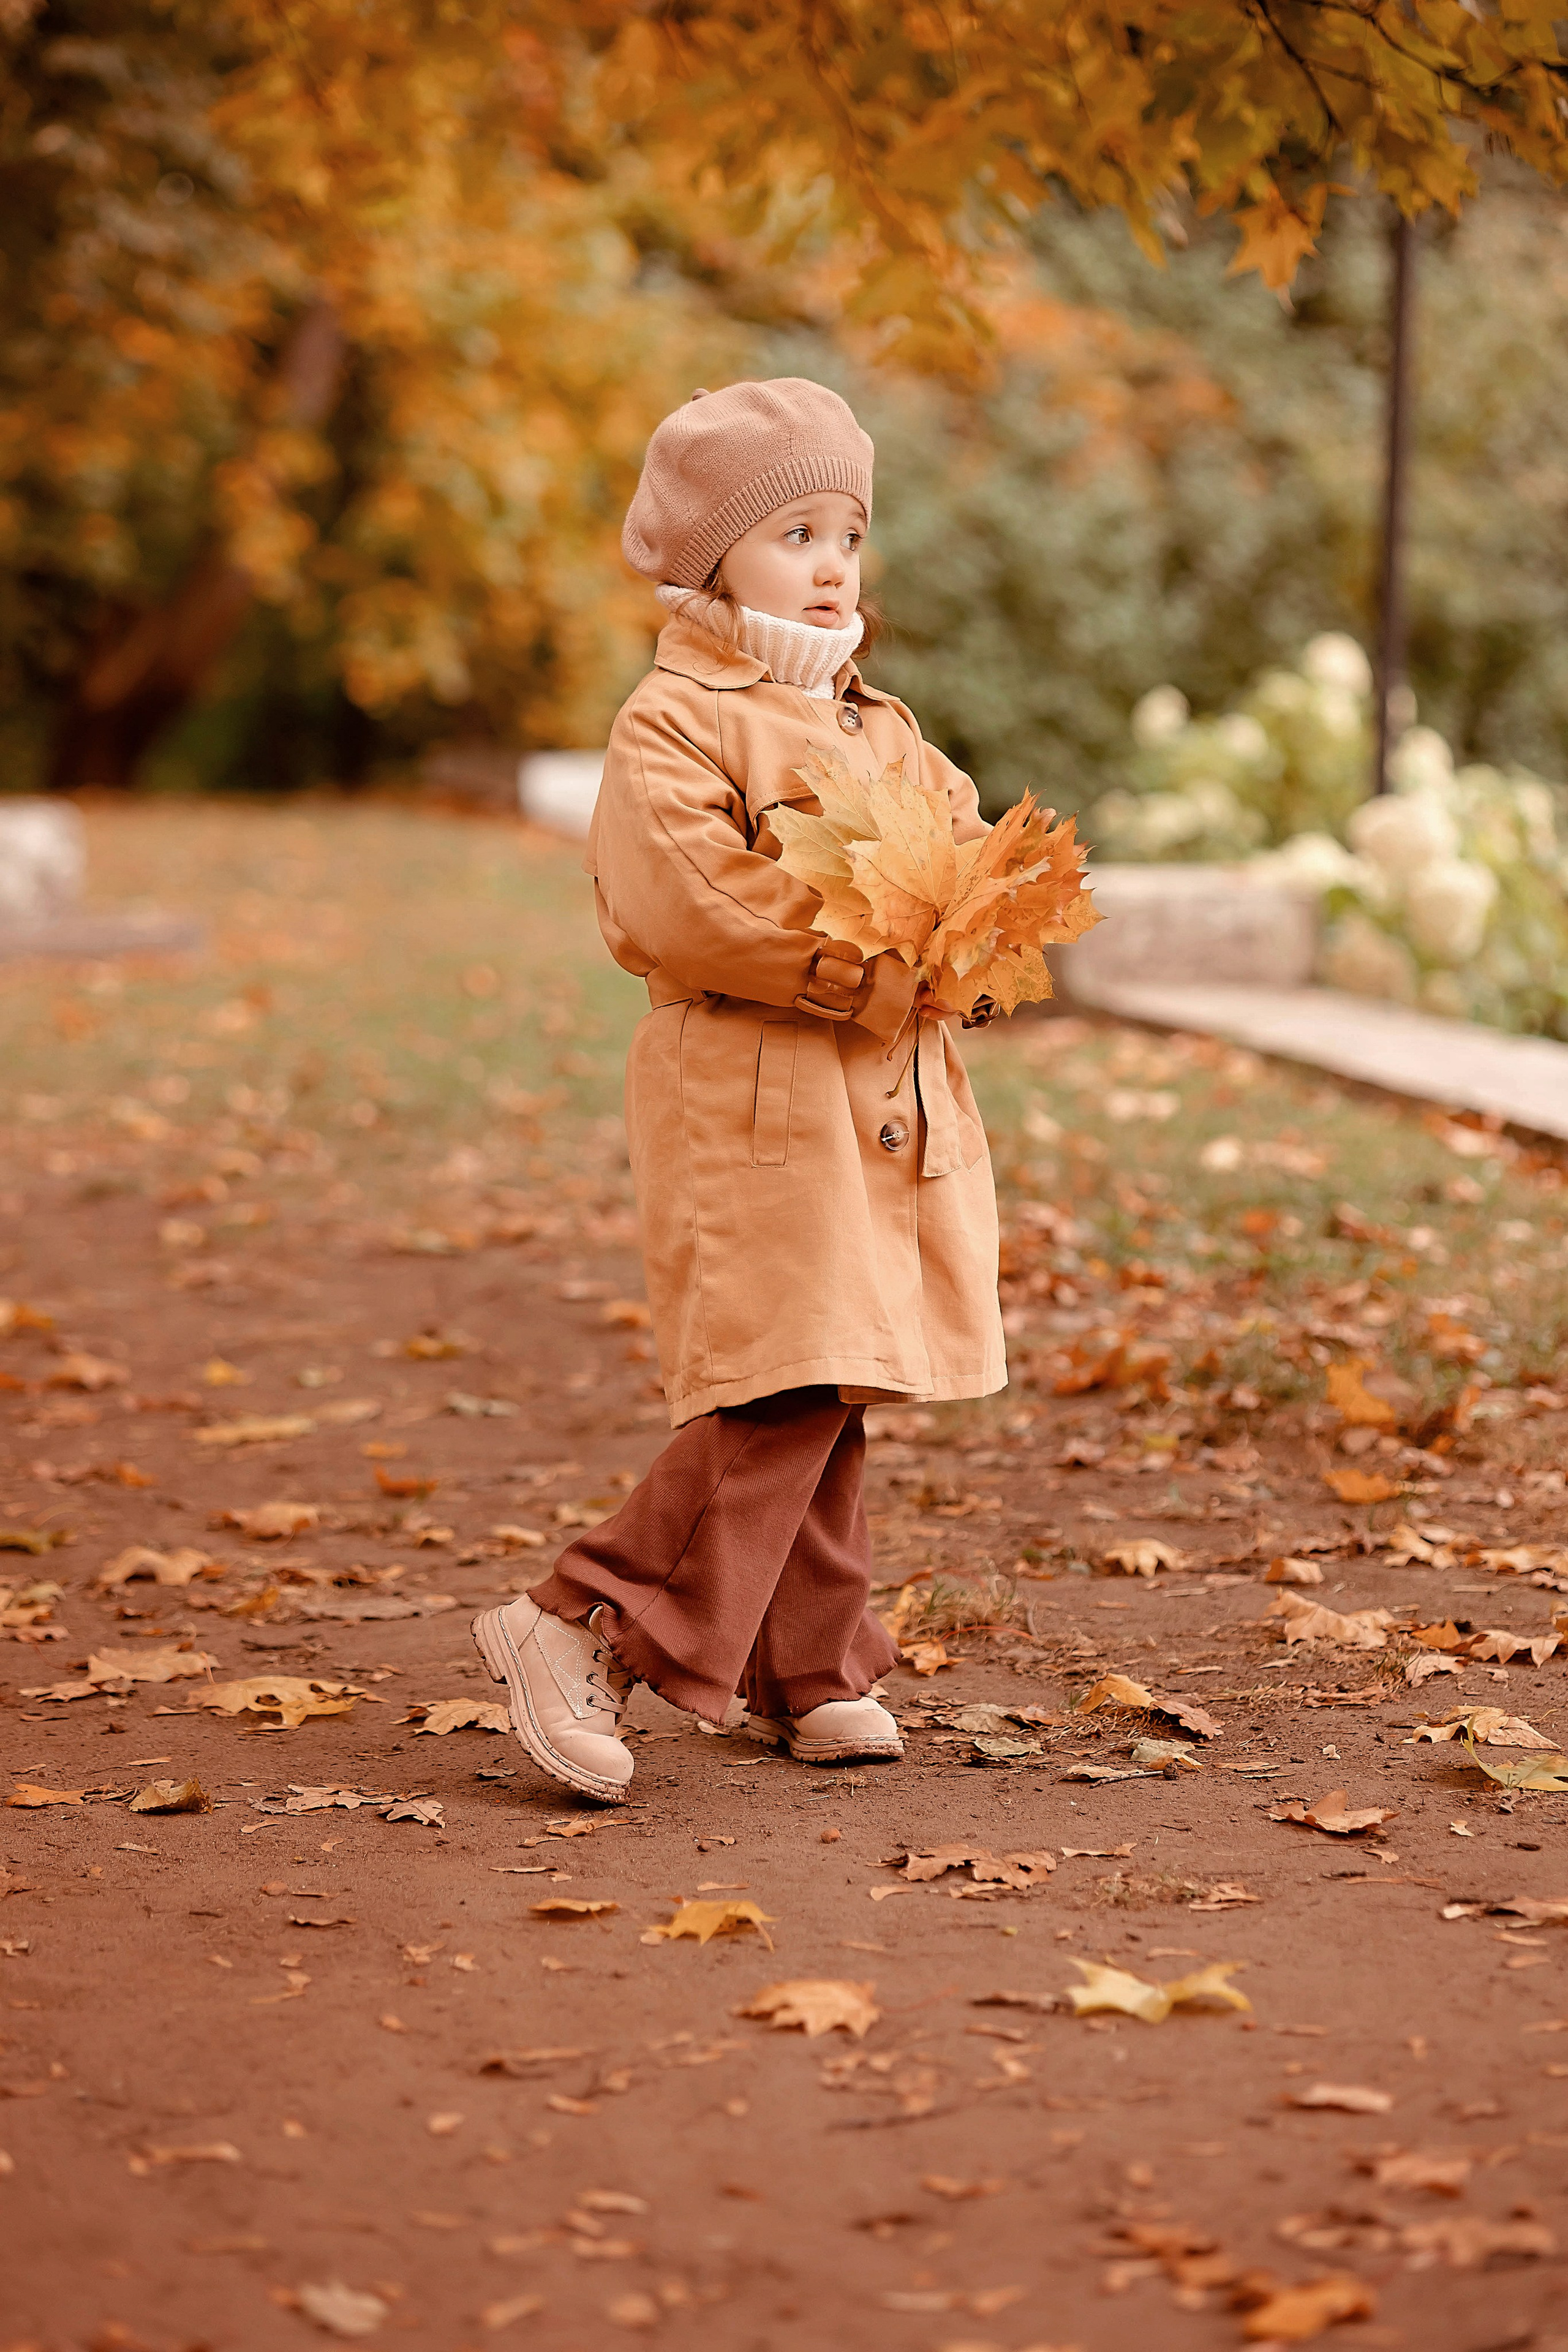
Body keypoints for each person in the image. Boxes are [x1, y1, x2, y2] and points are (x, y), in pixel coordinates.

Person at [472, 378, 1005, 1803]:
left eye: (846, 530)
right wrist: (877, 969)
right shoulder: (673, 726)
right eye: (793, 533)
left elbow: (965, 859)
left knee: (836, 1370)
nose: (832, 561)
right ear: (710, 560)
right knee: (782, 1373)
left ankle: (812, 1661)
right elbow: (698, 908)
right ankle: (574, 1621)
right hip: (757, 1095)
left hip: (880, 1102)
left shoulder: (874, 725)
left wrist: (979, 932)